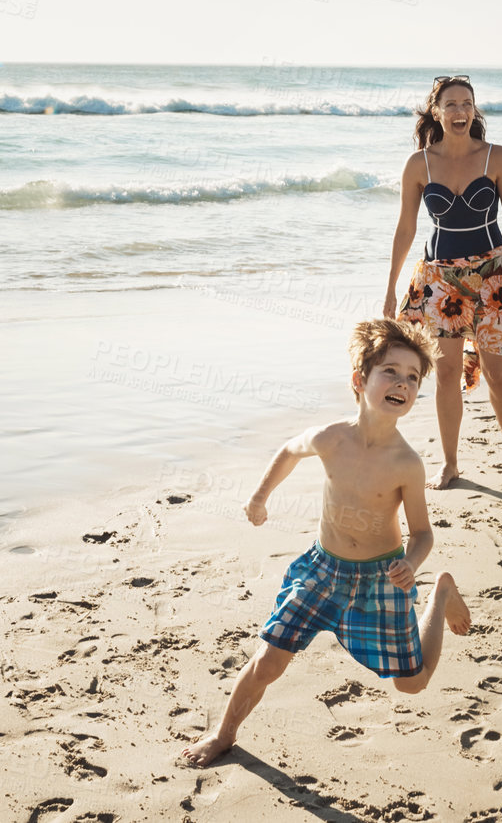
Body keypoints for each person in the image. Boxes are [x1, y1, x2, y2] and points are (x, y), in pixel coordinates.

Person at [179, 319, 472, 768]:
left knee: (411, 684)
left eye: (413, 378)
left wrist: (412, 564)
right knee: (268, 661)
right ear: (360, 380)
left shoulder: (406, 464)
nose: (403, 383)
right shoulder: (331, 437)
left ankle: (442, 592)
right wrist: (259, 497)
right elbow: (290, 450)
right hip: (321, 570)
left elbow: (423, 533)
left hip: (381, 580)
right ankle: (223, 734)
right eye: (391, 372)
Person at [384, 74, 502, 485]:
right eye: (450, 104)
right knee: (448, 373)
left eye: (466, 103)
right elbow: (405, 228)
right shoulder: (419, 164)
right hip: (441, 280)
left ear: (475, 109)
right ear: (436, 111)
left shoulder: (497, 158)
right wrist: (391, 286)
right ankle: (450, 462)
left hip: (494, 276)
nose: (460, 111)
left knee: (496, 370)